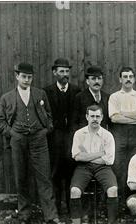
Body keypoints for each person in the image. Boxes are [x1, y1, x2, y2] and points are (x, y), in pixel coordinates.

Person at [0, 61, 64, 224]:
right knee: (21, 177)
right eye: (24, 77)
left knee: (44, 177)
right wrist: (12, 134)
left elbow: (49, 116)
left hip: (39, 140)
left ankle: (51, 215)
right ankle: (24, 214)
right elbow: (0, 122)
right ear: (17, 76)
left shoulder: (40, 94)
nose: (27, 80)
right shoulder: (7, 98)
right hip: (18, 141)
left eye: (29, 77)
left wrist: (45, 130)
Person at [69, 104, 119, 224]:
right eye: (92, 116)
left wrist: (88, 156)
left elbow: (109, 160)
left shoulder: (107, 136)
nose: (95, 119)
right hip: (83, 168)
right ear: (87, 117)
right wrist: (99, 154)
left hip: (103, 168)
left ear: (102, 118)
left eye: (97, 116)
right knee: (74, 191)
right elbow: (77, 156)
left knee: (113, 189)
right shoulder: (79, 134)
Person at [108, 66, 136, 210]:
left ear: (134, 79)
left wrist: (124, 114)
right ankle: (118, 204)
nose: (128, 79)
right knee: (118, 167)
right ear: (120, 79)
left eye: (130, 76)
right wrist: (134, 116)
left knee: (135, 166)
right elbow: (114, 118)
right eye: (125, 77)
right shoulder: (114, 97)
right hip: (118, 133)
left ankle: (133, 203)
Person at [43, 58, 81, 214]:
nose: (65, 75)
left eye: (67, 71)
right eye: (61, 71)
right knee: (56, 174)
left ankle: (72, 209)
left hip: (72, 139)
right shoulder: (47, 92)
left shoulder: (76, 90)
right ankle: (57, 208)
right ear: (54, 73)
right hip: (55, 141)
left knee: (71, 172)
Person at [70, 65, 111, 133]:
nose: (97, 81)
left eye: (99, 78)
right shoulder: (79, 97)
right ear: (87, 81)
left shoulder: (107, 97)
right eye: (93, 79)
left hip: (102, 137)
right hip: (85, 136)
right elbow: (74, 122)